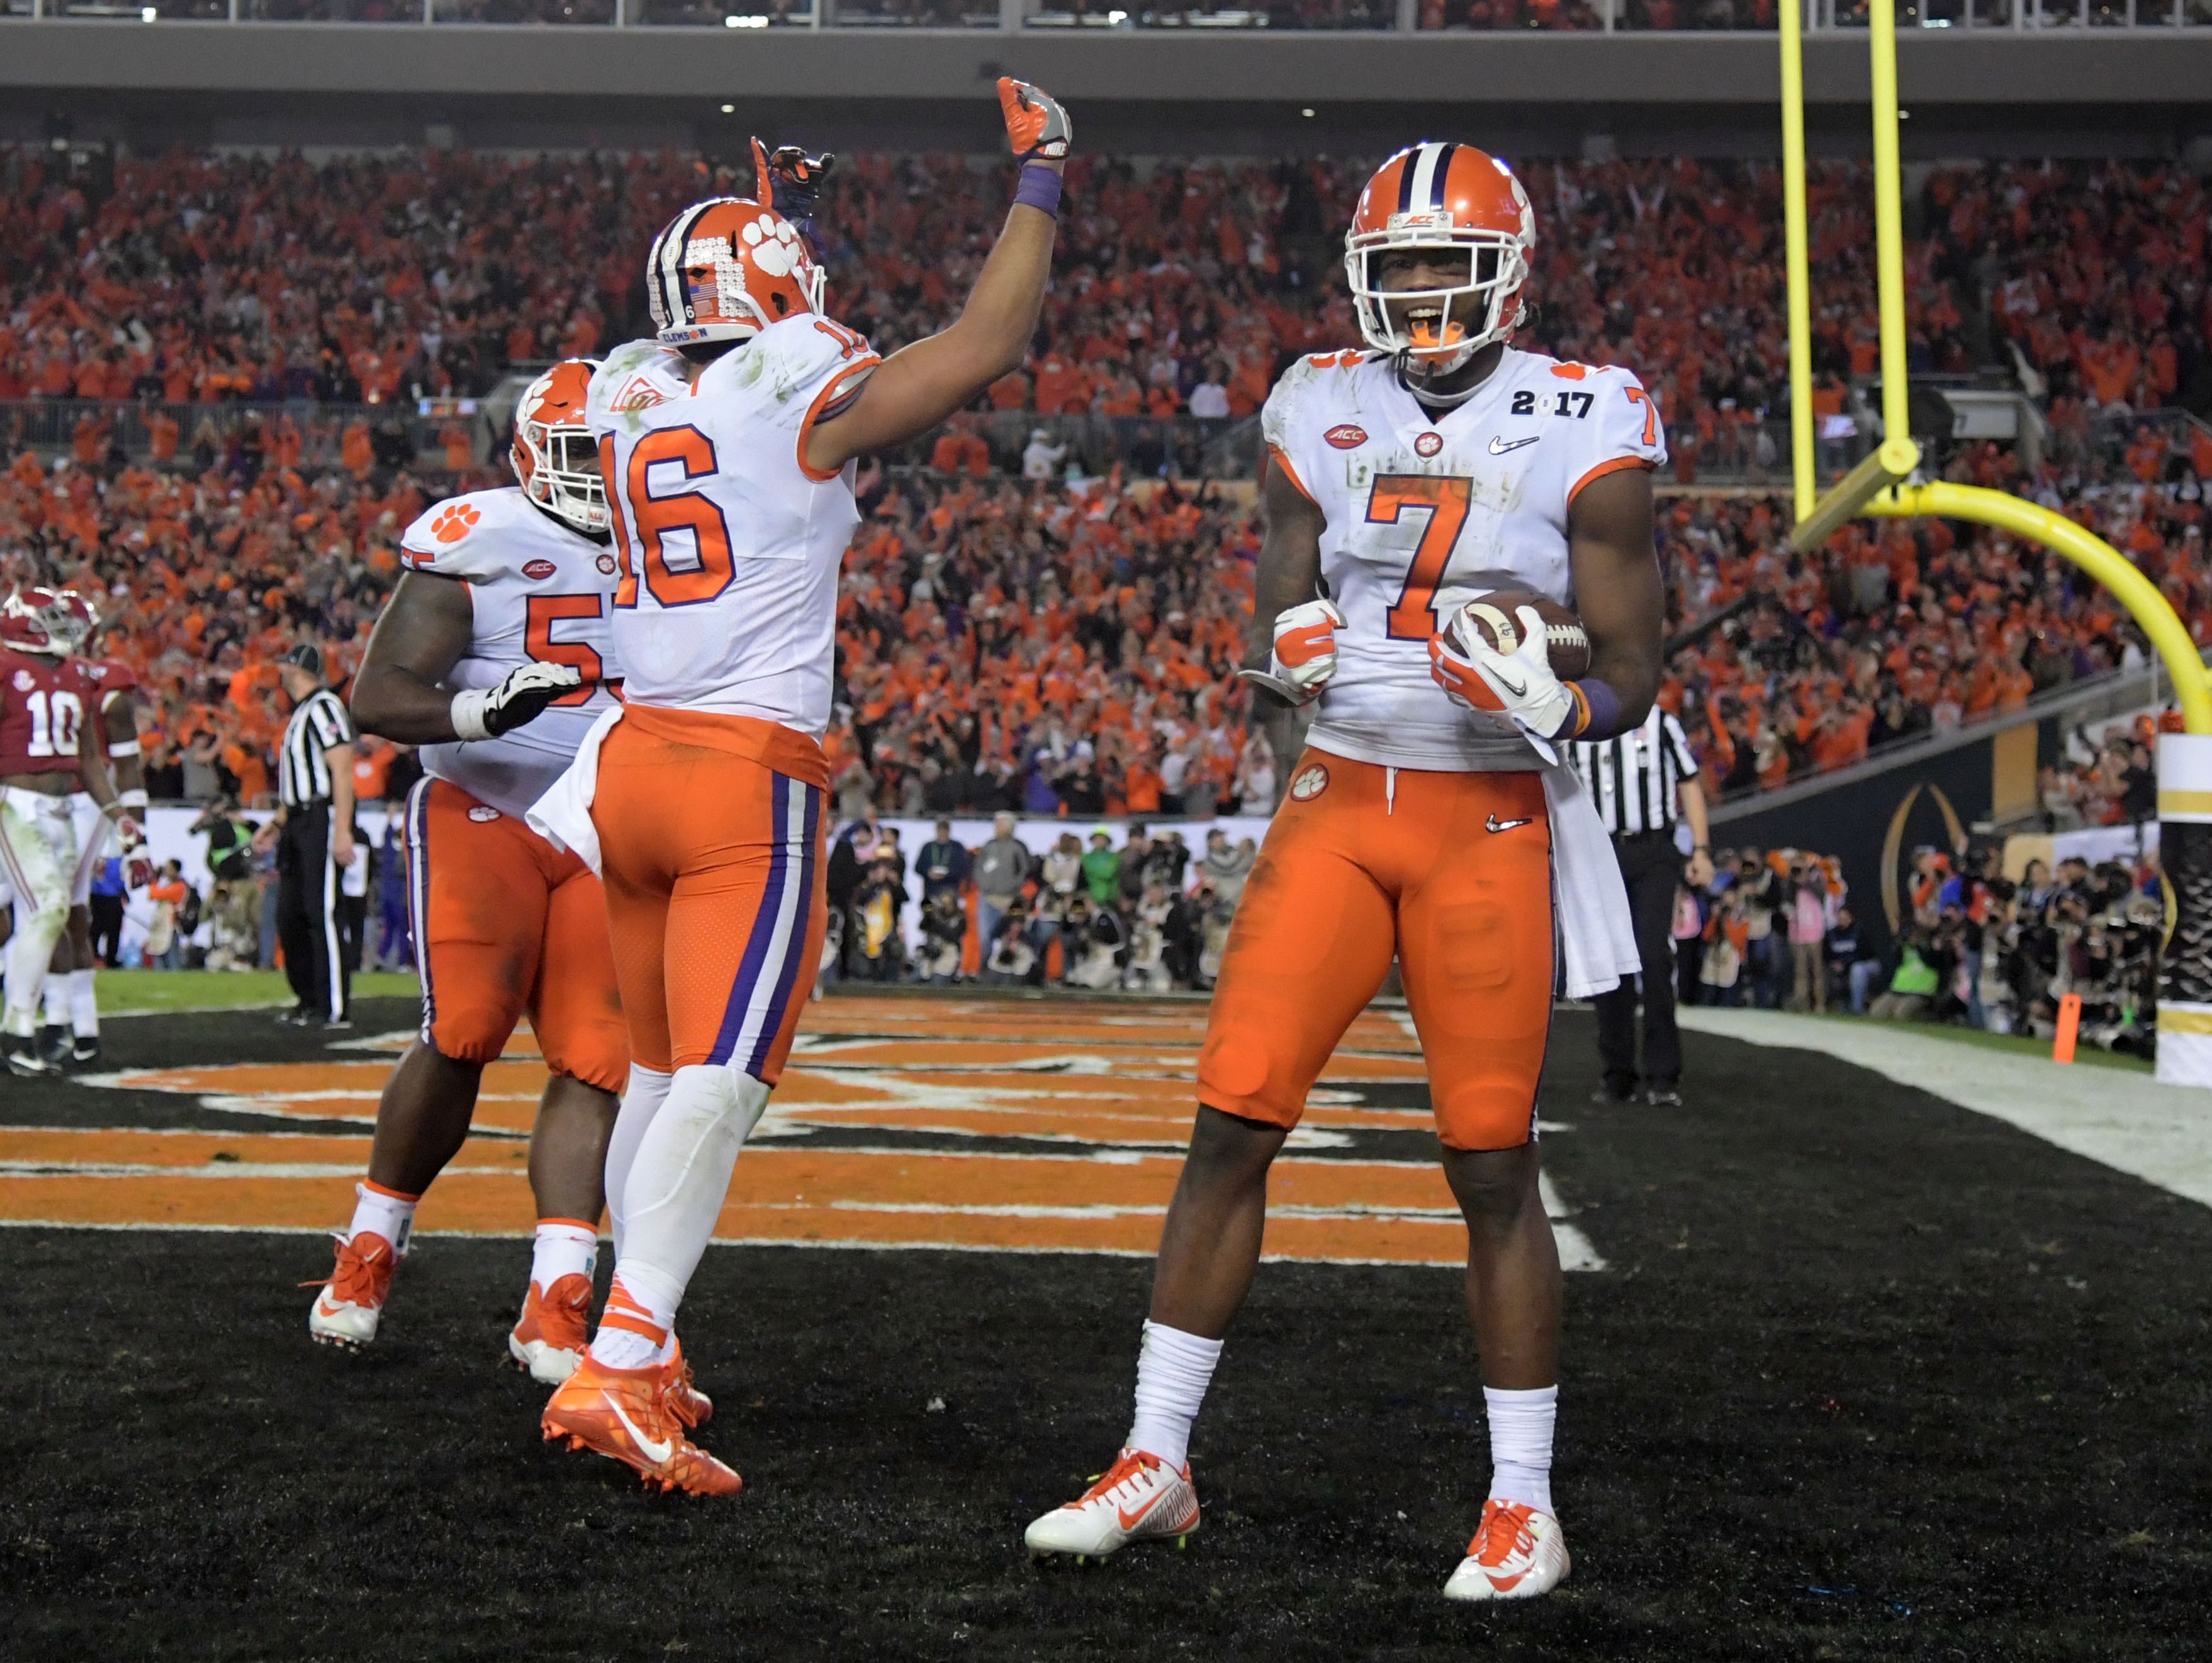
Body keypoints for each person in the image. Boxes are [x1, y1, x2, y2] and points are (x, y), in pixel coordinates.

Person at [1026, 141, 1659, 1603]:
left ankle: (1522, 1503)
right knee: (1231, 1116)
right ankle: (1158, 1454)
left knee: (1490, 1159)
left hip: (1487, 807)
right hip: (1338, 799)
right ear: (1368, 276)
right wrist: (1291, 640)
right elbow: (1285, 591)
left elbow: (1635, 665)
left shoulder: (1588, 412)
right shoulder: (1316, 399)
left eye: (1454, 264)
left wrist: (1565, 688)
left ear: (1509, 269)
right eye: (1405, 267)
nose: (1428, 293)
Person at [531, 84, 1073, 1494]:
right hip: (739, 776)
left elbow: (739, 368)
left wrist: (783, 225)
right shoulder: (797, 369)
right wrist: (1041, 178)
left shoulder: (625, 381)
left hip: (634, 760)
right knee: (723, 1076)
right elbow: (984, 344)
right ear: (780, 293)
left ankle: (621, 1329)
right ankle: (623, 1354)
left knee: (656, 1066)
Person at [305, 361, 631, 1388]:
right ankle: (371, 1243)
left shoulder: (673, 532)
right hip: (481, 802)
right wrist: (481, 710)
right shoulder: (475, 537)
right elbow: (379, 692)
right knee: (464, 1029)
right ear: (527, 452)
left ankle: (558, 1292)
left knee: (596, 1053)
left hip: (605, 822)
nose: (596, 475)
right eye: (577, 452)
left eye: (611, 453)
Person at [1, 588, 130, 1076]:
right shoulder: (6, 666)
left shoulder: (77, 674)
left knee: (49, 915)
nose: (66, 629)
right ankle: (18, 1031)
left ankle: (21, 1028)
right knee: (50, 906)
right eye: (50, 620)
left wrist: (118, 813)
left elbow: (89, 758)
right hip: (16, 806)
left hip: (60, 810)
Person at [1571, 703, 1710, 1107]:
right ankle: (1618, 1075)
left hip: (1653, 851)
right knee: (1610, 962)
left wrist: (1700, 848)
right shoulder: (1578, 722)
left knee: (1653, 955)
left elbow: (1689, 781)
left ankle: (1663, 1075)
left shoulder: (1661, 722)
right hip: (1600, 851)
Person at [252, 642, 359, 1029]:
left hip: (320, 816)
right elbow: (299, 784)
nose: (280, 671)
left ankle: (333, 1006)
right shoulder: (301, 713)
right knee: (291, 914)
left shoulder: (324, 707)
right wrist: (278, 822)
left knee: (322, 911)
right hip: (299, 819)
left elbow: (342, 770)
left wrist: (342, 829)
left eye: (284, 665)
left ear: (295, 669)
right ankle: (309, 1000)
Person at [973, 812, 1031, 950]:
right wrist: (982, 883)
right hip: (987, 898)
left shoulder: (1018, 847)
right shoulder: (989, 846)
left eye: (999, 824)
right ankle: (985, 968)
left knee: (1008, 936)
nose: (996, 827)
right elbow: (978, 866)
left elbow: (1024, 871)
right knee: (985, 937)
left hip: (1009, 900)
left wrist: (1013, 888)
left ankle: (1004, 968)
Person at [916, 820, 970, 907]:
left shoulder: (957, 847)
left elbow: (964, 869)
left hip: (950, 891)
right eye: (939, 830)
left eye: (944, 831)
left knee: (946, 917)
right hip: (929, 892)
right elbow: (918, 867)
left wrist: (947, 874)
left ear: (949, 831)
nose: (942, 833)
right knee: (928, 915)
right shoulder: (928, 847)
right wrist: (928, 873)